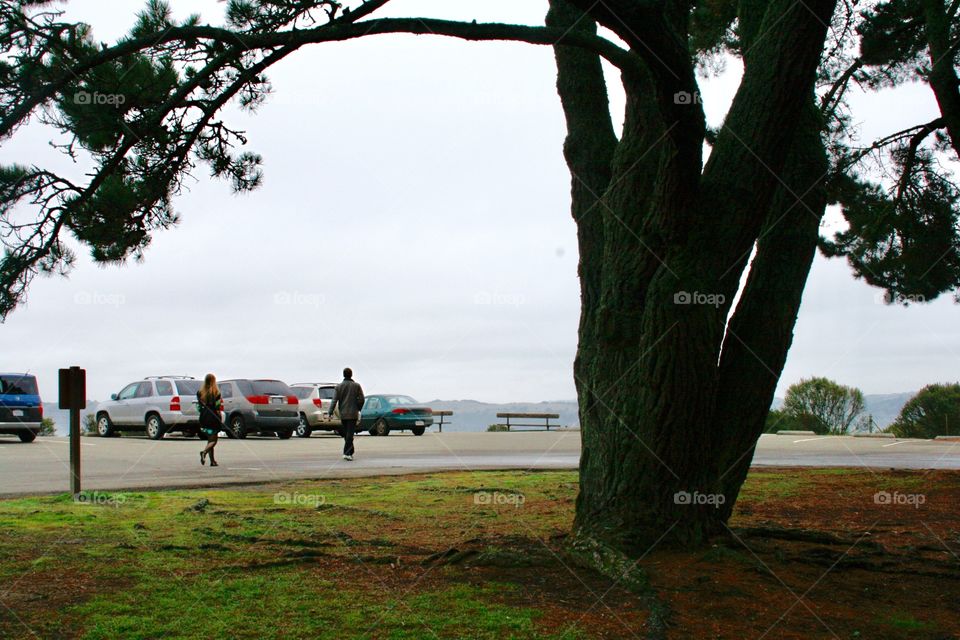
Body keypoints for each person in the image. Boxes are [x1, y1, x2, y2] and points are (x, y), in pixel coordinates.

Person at [328, 367, 364, 461]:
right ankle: (347, 452)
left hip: (343, 414)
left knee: (347, 434)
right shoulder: (356, 386)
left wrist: (330, 412)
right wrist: (358, 408)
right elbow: (362, 399)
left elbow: (334, 400)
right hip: (353, 414)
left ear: (343, 375)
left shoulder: (339, 387)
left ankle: (349, 452)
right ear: (351, 375)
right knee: (349, 434)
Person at [197, 373, 224, 467]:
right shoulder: (216, 392)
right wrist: (219, 417)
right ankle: (204, 452)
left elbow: (199, 407)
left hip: (204, 416)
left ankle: (212, 461)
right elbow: (217, 407)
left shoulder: (200, 393)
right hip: (213, 417)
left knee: (210, 440)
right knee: (214, 440)